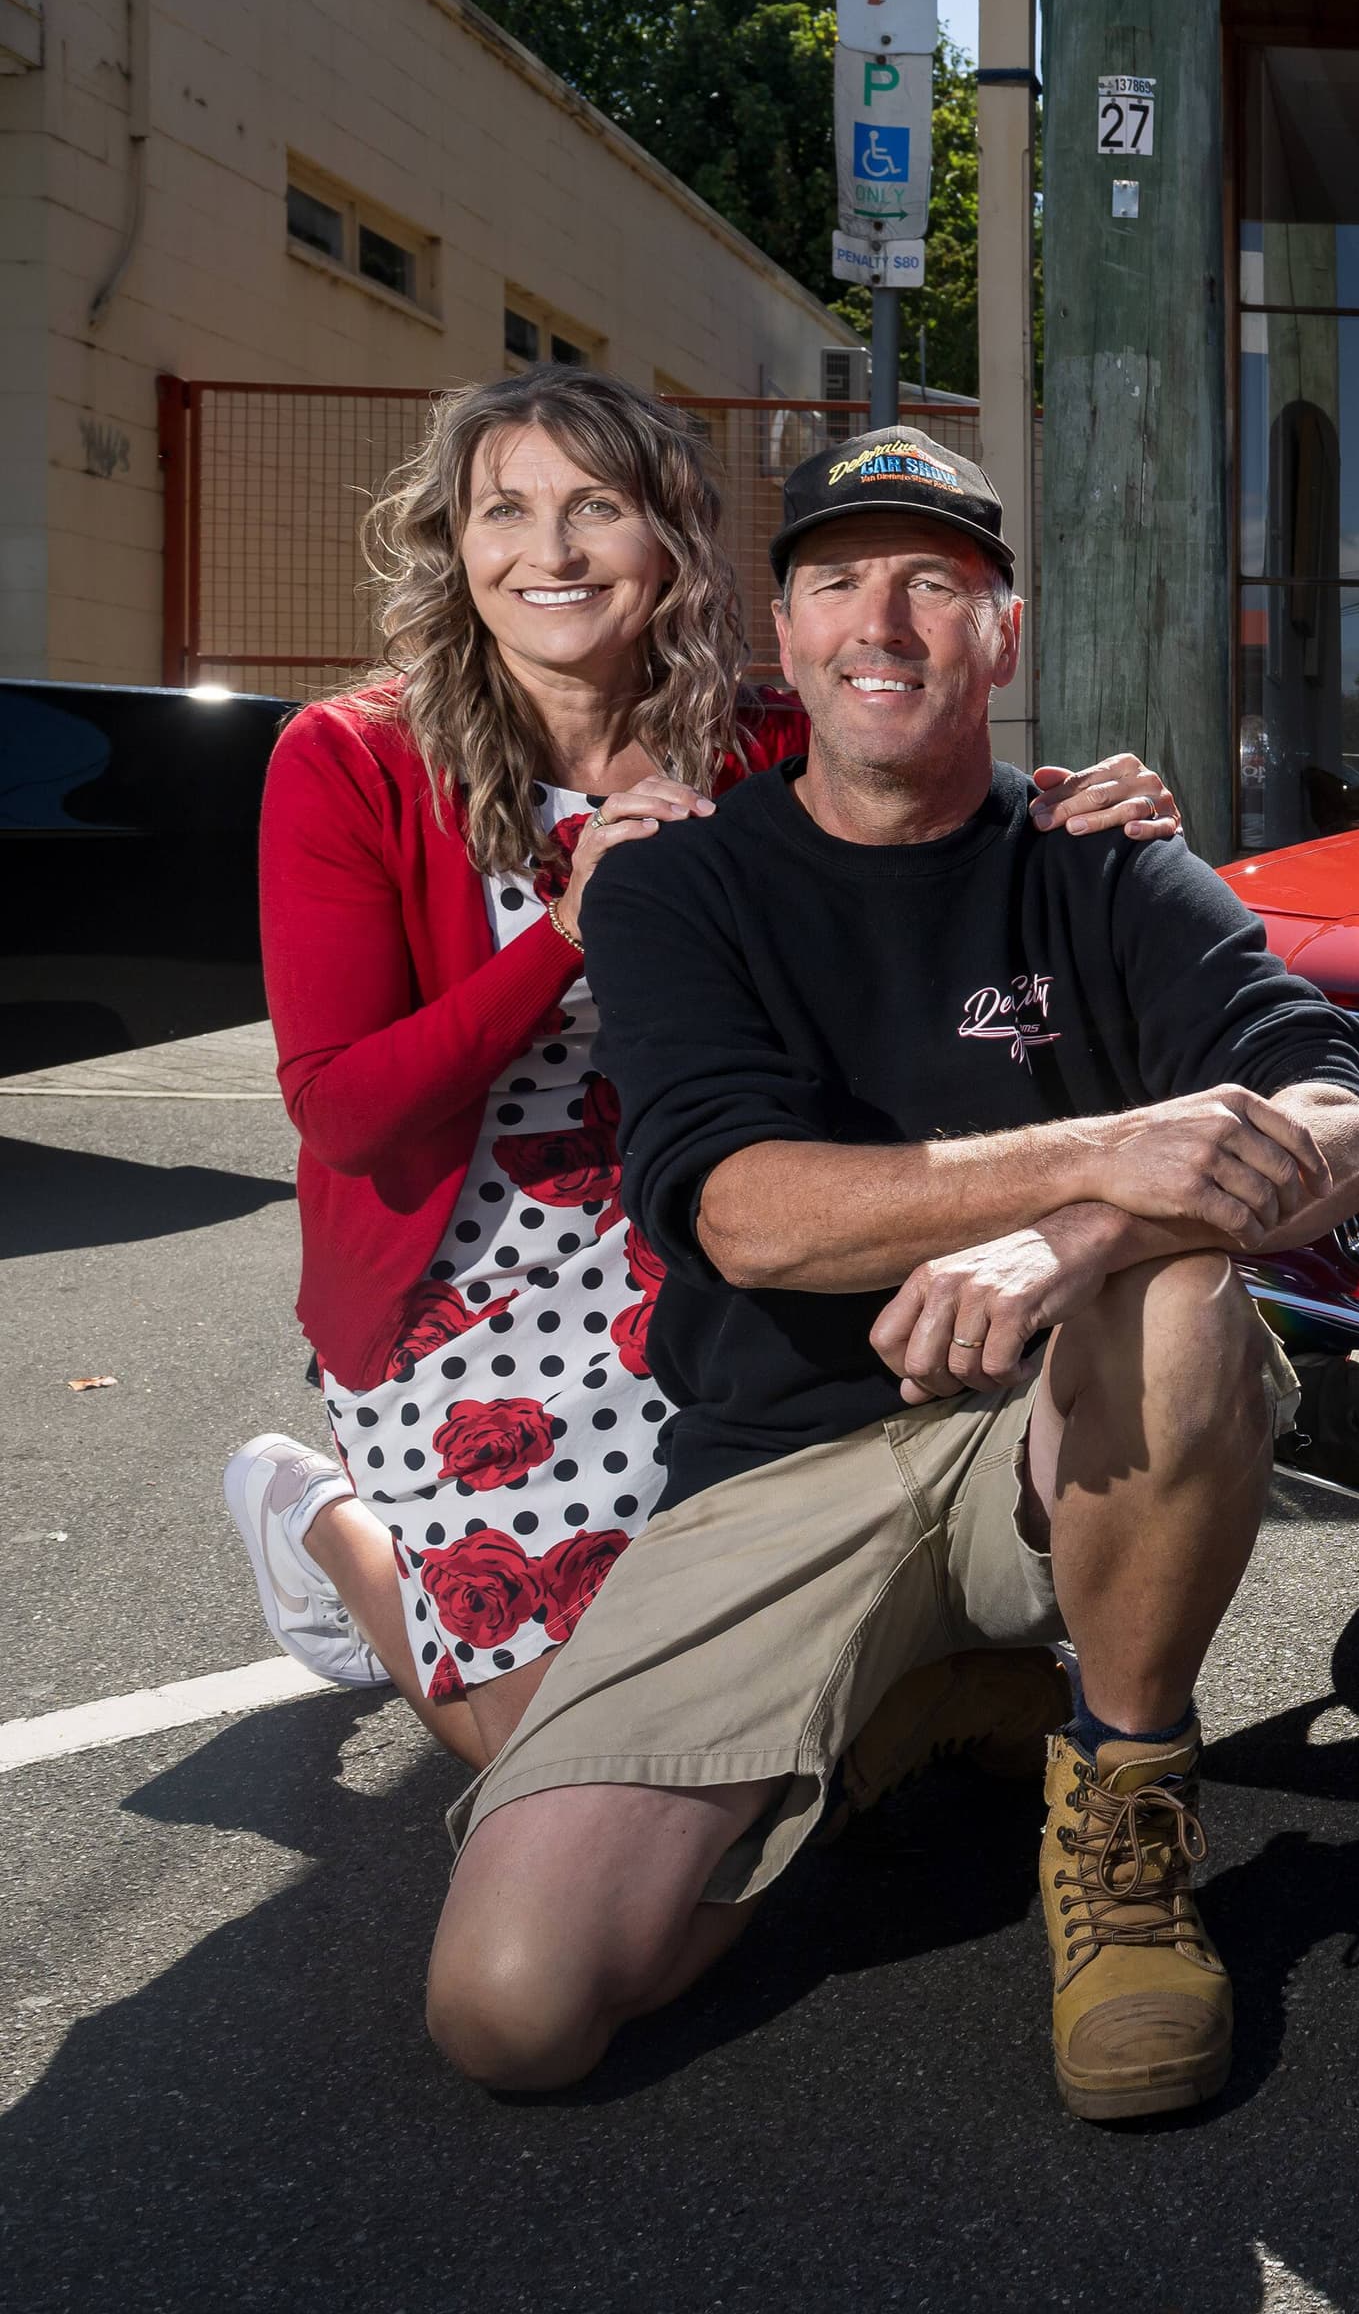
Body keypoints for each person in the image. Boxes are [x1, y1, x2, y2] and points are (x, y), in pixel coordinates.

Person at [419, 425, 1359, 2122]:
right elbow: (742, 1213)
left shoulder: (1110, 862)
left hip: (1052, 1442)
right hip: (782, 1465)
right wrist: (1104, 1151)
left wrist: (1092, 1232)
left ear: (1001, 634)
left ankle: (1125, 1806)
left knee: (1173, 1289)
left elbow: (1344, 1113)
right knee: (517, 2011)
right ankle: (924, 1694)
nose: (886, 620)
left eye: (935, 583)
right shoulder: (682, 889)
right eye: (839, 582)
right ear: (782, 637)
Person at [219, 368, 1186, 1777]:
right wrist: (562, 931)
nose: (548, 554)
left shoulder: (758, 740)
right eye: (506, 511)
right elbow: (343, 1108)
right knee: (543, 1755)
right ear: (456, 541)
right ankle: (324, 1524)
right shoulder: (354, 759)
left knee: (735, 1689)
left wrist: (1071, 806)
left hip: (726, 1251)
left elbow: (920, 796)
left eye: (595, 509)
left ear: (669, 540)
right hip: (463, 1289)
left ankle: (924, 1689)